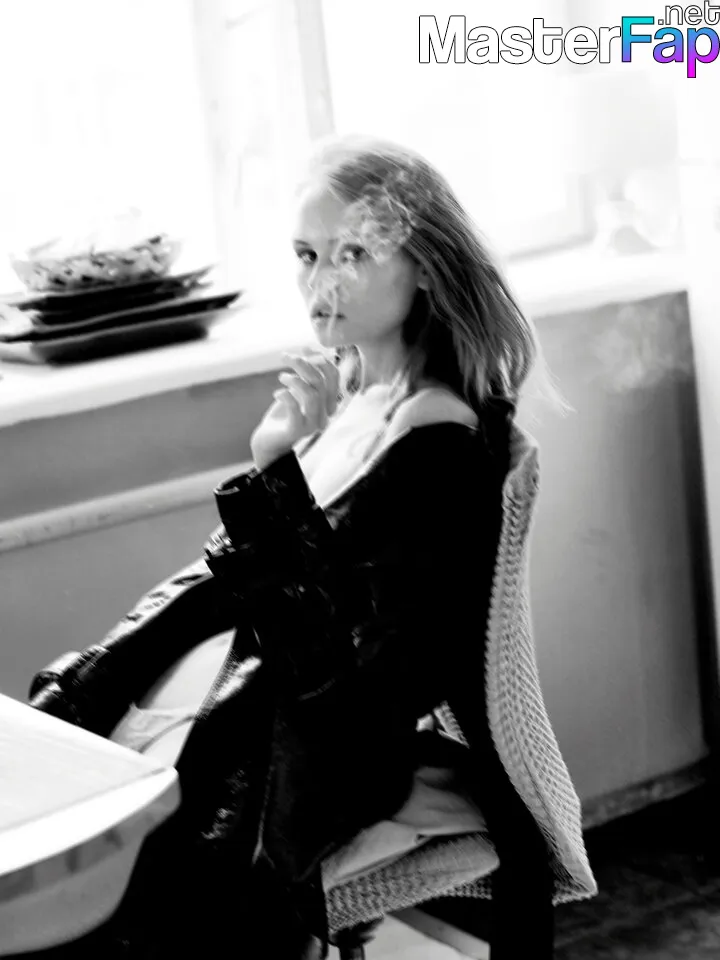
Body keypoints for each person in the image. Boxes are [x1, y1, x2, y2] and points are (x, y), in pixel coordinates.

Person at [25, 134, 597, 958]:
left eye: (353, 253)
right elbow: (236, 588)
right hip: (247, 698)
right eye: (306, 254)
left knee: (110, 875)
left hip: (323, 745)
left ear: (425, 268)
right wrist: (99, 677)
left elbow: (339, 666)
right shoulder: (360, 396)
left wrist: (274, 468)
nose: (321, 281)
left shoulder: (437, 435)